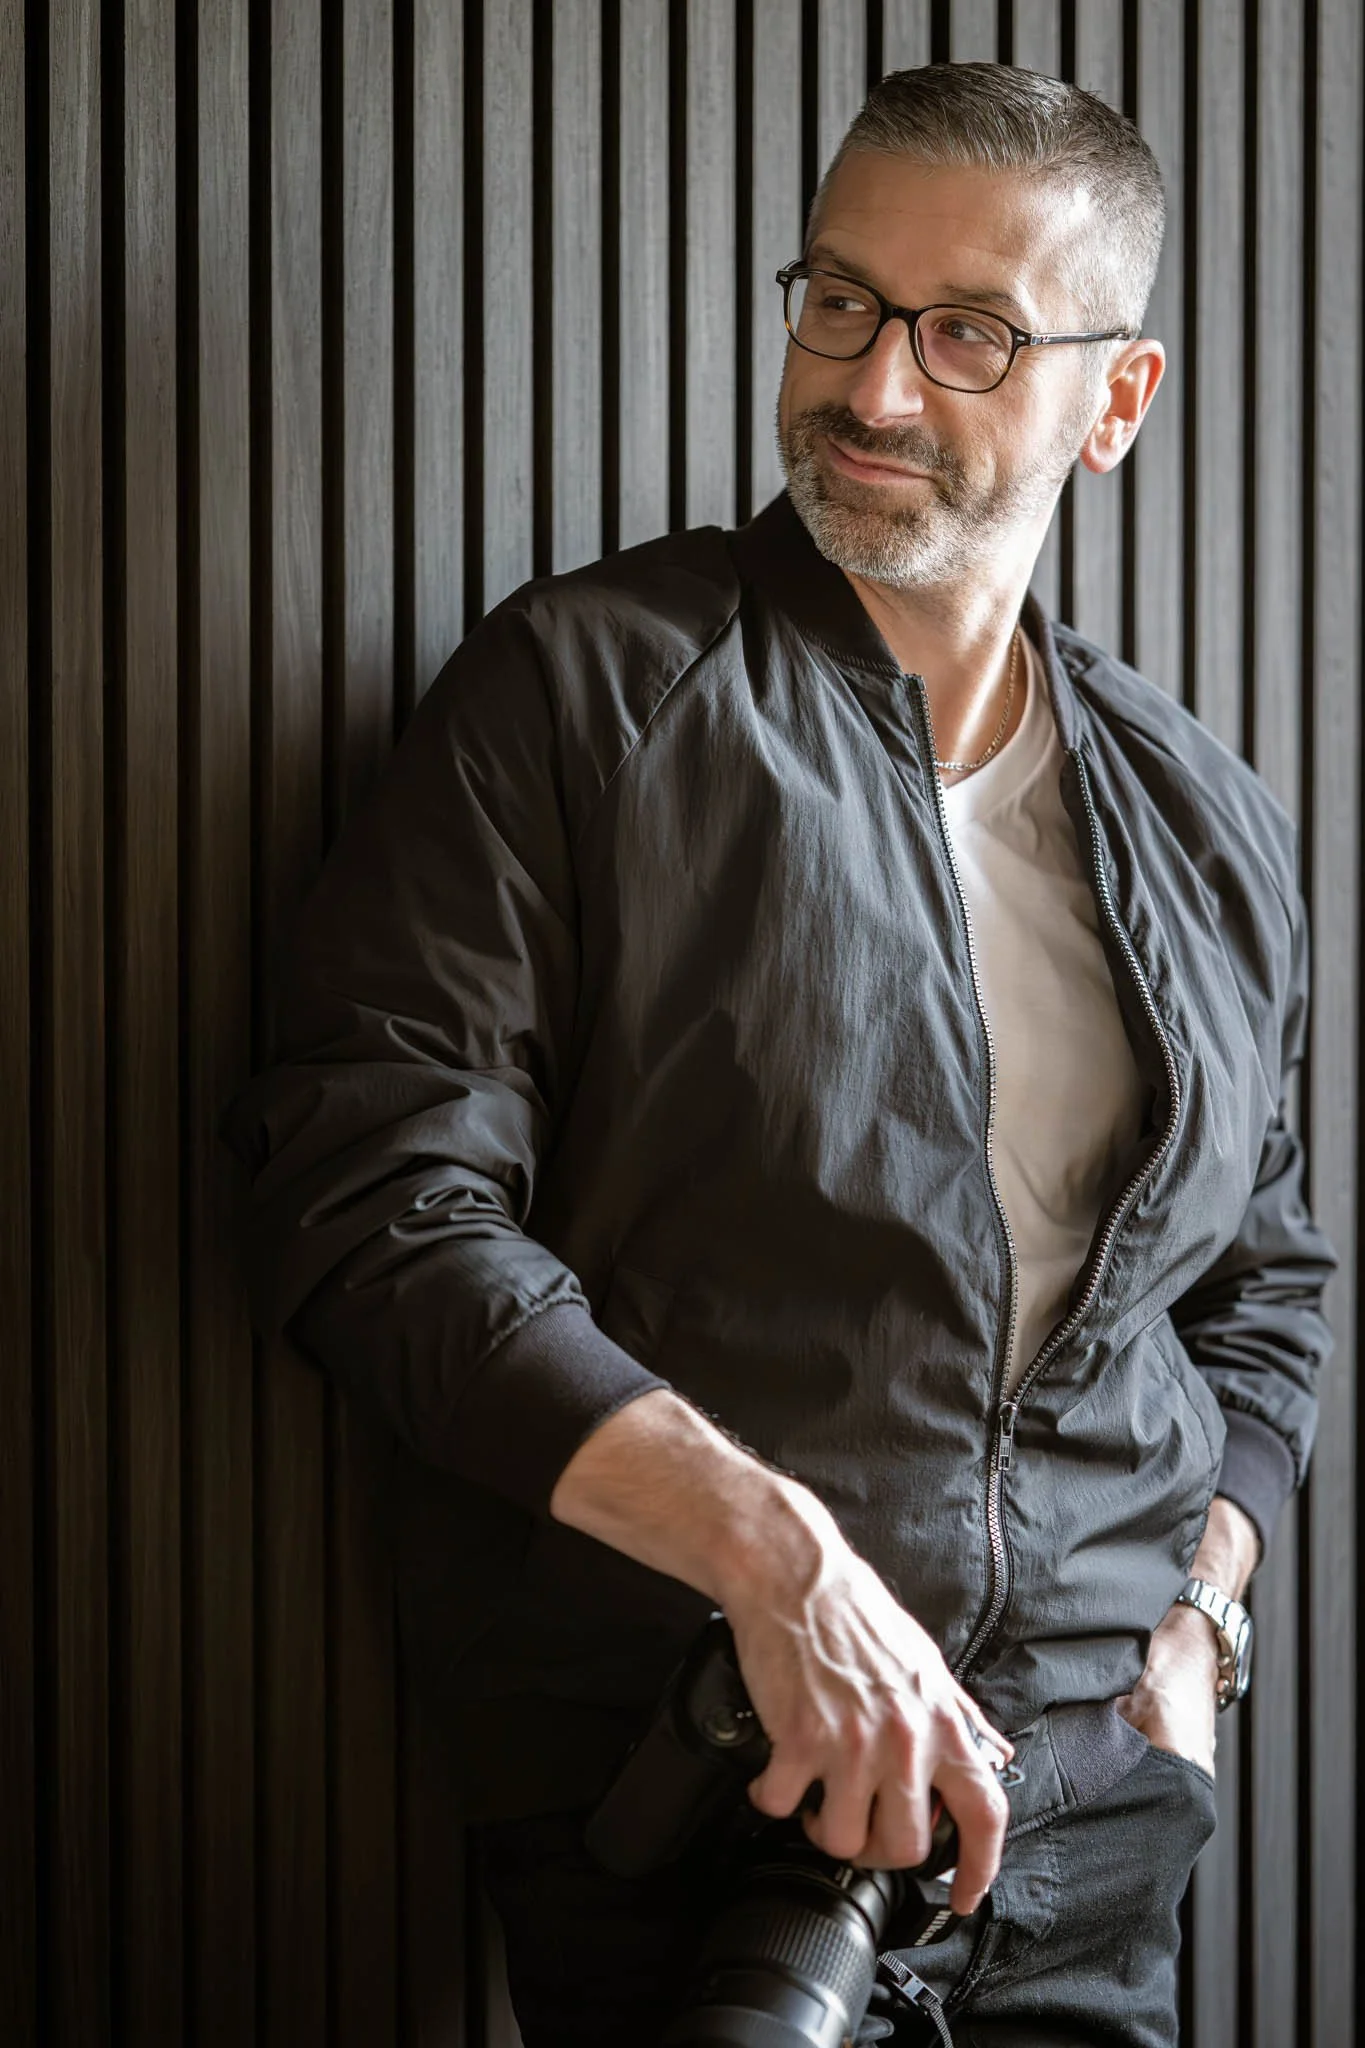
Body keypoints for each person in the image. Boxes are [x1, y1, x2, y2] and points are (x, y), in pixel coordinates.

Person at [224, 63, 1334, 2048]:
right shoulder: (579, 692)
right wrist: (776, 1558)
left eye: (970, 332)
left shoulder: (1211, 825)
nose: (873, 385)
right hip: (696, 1813)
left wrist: (1202, 1625)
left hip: (1092, 1842)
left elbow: (1263, 1293)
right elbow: (373, 1205)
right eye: (839, 301)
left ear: (1116, 402)